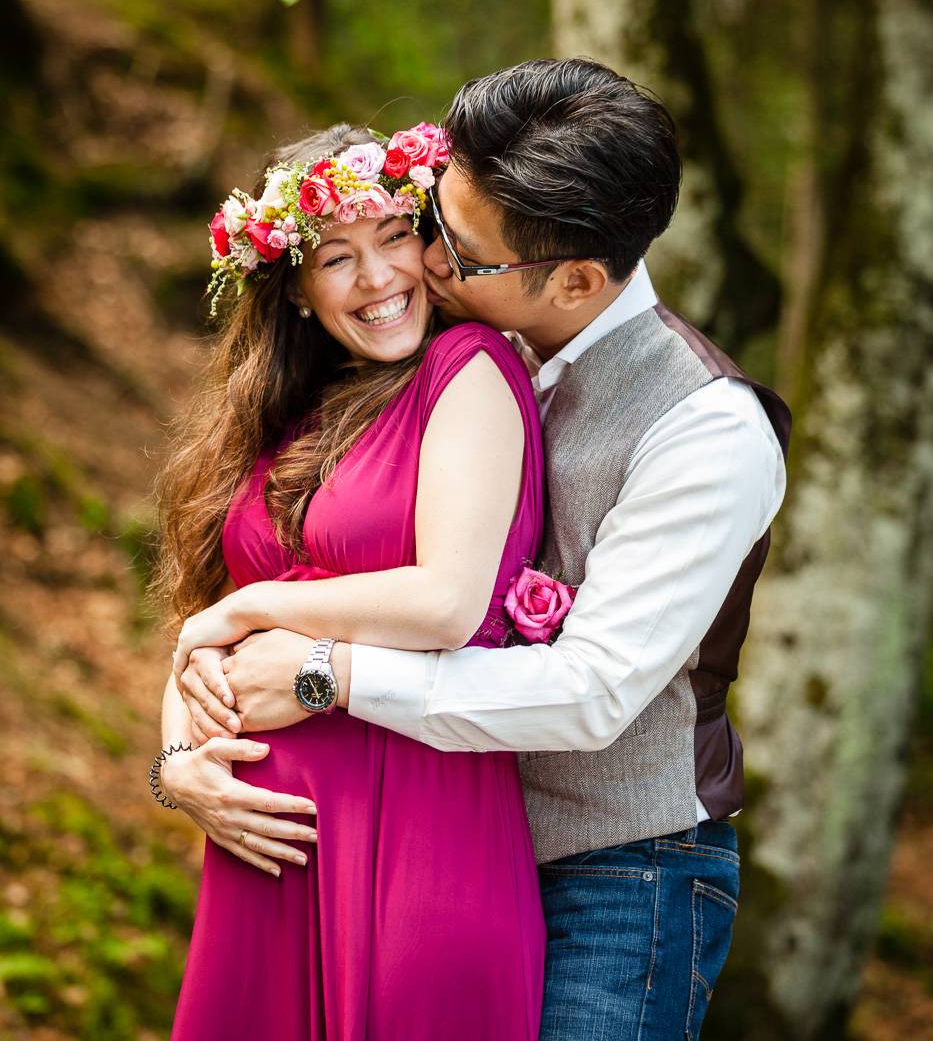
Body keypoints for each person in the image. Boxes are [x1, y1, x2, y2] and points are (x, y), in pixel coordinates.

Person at [179, 59, 791, 1039]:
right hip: (436, 837)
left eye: (457, 251)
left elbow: (590, 689)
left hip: (621, 875)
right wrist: (182, 751)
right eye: (433, 222)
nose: (422, 263)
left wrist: (325, 673)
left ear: (575, 279)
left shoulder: (704, 428)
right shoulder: (446, 346)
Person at [151, 121, 548, 1040]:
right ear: (294, 288)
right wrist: (180, 769)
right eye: (337, 257)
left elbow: (446, 603)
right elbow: (202, 637)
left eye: (393, 236)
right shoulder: (282, 419)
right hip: (265, 854)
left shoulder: (466, 369)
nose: (377, 278)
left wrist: (252, 605)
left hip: (418, 837)